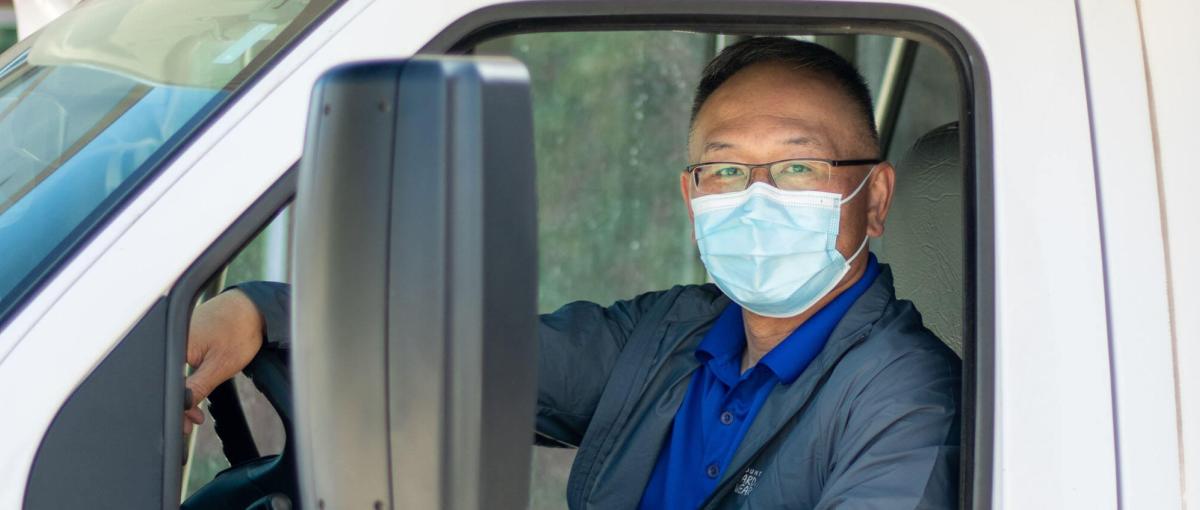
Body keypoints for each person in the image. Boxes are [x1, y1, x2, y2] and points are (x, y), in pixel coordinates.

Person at [185, 37, 960, 508]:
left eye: (796, 165)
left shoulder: (912, 400)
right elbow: (451, 355)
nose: (754, 197)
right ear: (690, 196)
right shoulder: (669, 336)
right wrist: (256, 313)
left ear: (876, 196)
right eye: (724, 171)